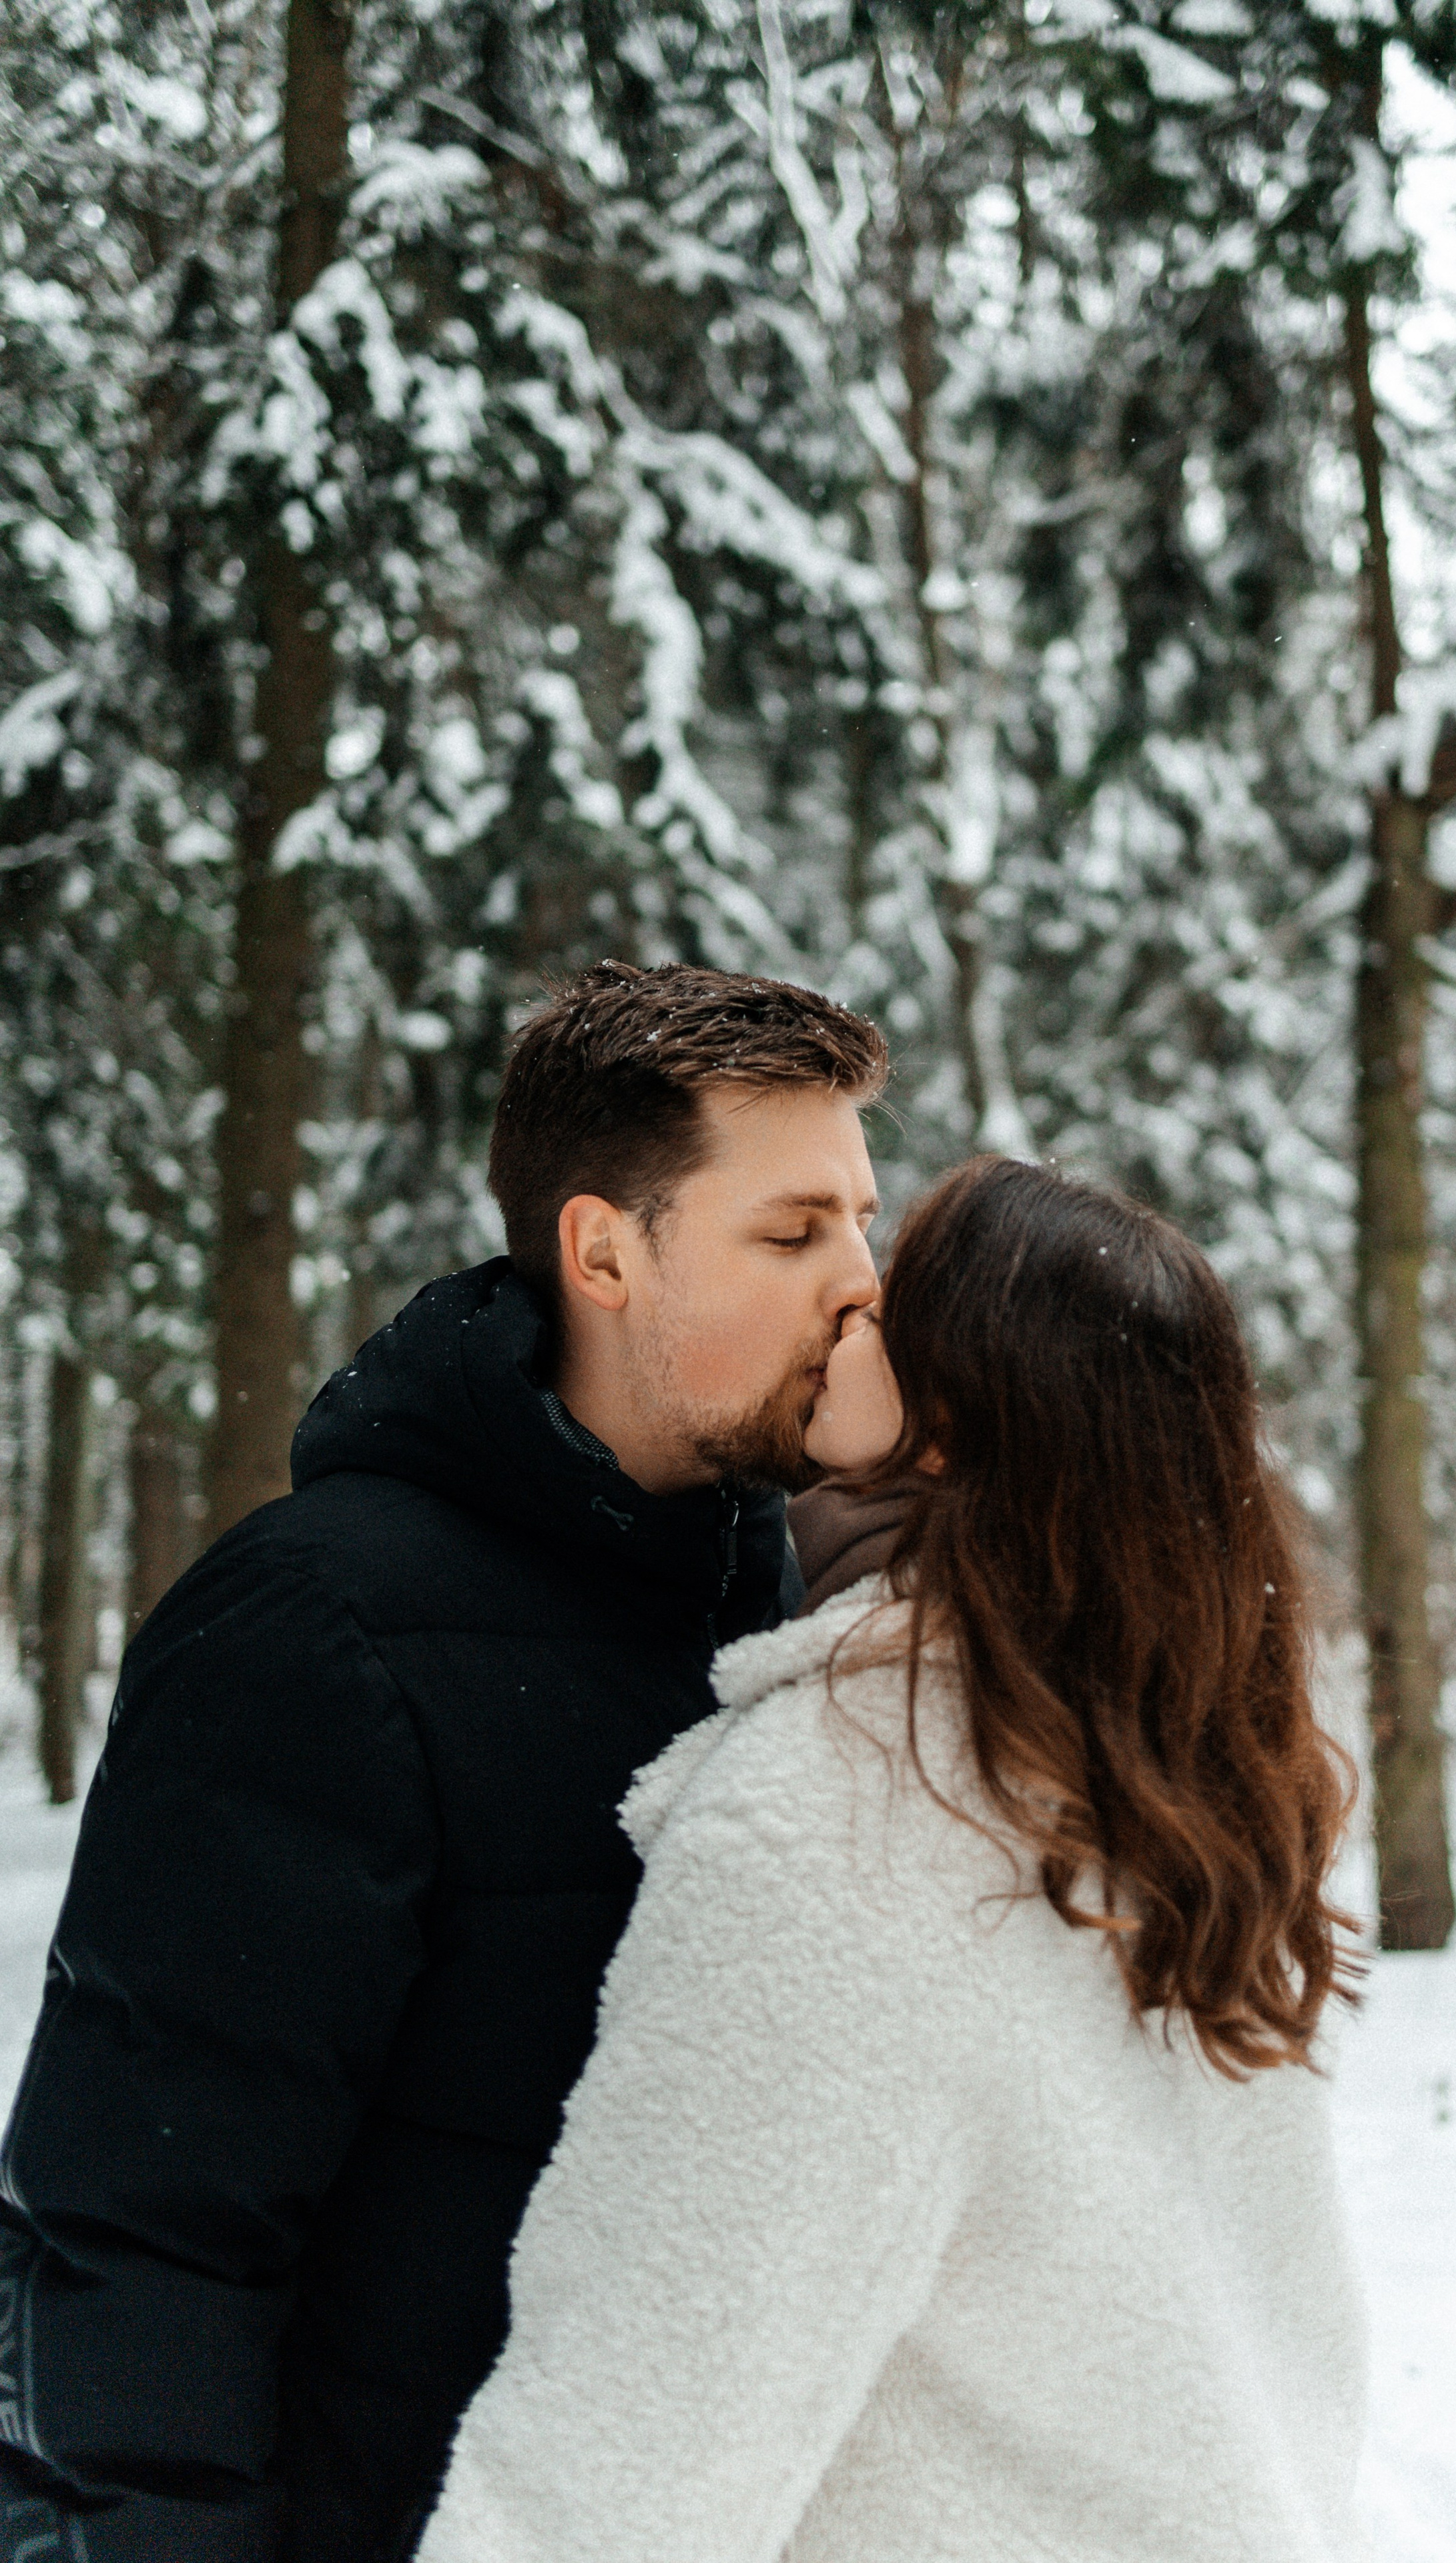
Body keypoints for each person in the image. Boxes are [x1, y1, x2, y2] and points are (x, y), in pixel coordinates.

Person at [0, 960, 889, 2563]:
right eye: (792, 1230)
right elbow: (139, 2246)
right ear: (603, 1251)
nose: (859, 1282)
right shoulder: (313, 1627)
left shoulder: (799, 1618)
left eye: (859, 1220)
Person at [419, 1154, 1371, 2563]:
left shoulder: (848, 1813)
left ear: (947, 1421)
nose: (845, 1302)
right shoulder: (1171, 1798)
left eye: (889, 1294)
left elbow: (622, 2455)